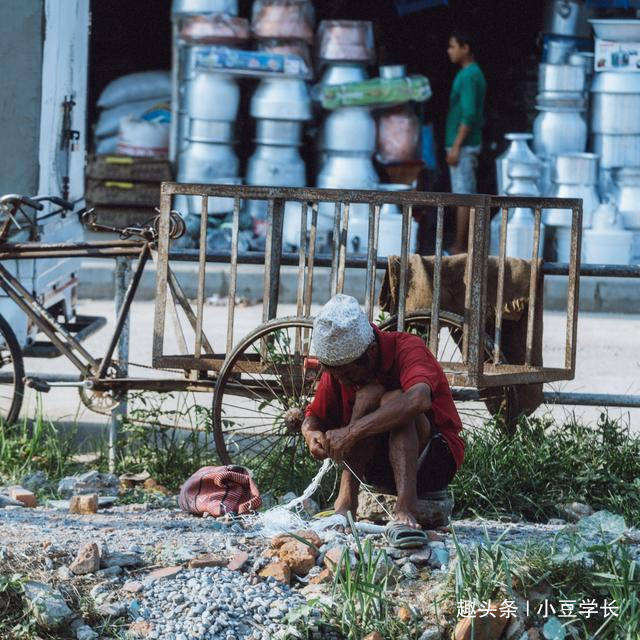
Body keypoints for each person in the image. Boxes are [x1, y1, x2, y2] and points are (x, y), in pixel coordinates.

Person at [301, 294, 464, 531]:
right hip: (377, 468)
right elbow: (314, 415)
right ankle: (345, 505)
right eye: (337, 375)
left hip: (434, 461)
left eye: (347, 374)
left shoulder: (407, 347)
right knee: (368, 395)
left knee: (392, 399)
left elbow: (418, 399)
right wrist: (311, 433)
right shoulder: (340, 372)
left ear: (372, 352)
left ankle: (406, 508)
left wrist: (351, 432)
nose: (343, 381)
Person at [445, 28, 487, 254]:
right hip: (462, 145)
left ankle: (460, 247)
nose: (449, 51)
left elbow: (469, 114)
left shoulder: (470, 75)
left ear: (465, 48)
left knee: (464, 198)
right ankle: (462, 245)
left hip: (464, 146)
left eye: (453, 46)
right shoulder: (469, 74)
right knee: (463, 195)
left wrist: (456, 146)